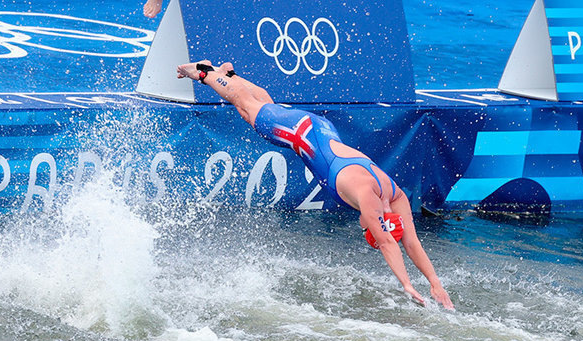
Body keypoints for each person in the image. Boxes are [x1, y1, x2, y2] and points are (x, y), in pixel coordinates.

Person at [176, 60, 454, 310]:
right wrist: (406, 284)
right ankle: (205, 72)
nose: (362, 225)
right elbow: (387, 243)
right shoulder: (368, 197)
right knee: (249, 109)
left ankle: (229, 75)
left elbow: (411, 242)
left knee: (262, 110)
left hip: (319, 129)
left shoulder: (394, 196)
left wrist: (435, 283)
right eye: (367, 227)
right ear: (374, 222)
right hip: (302, 133)